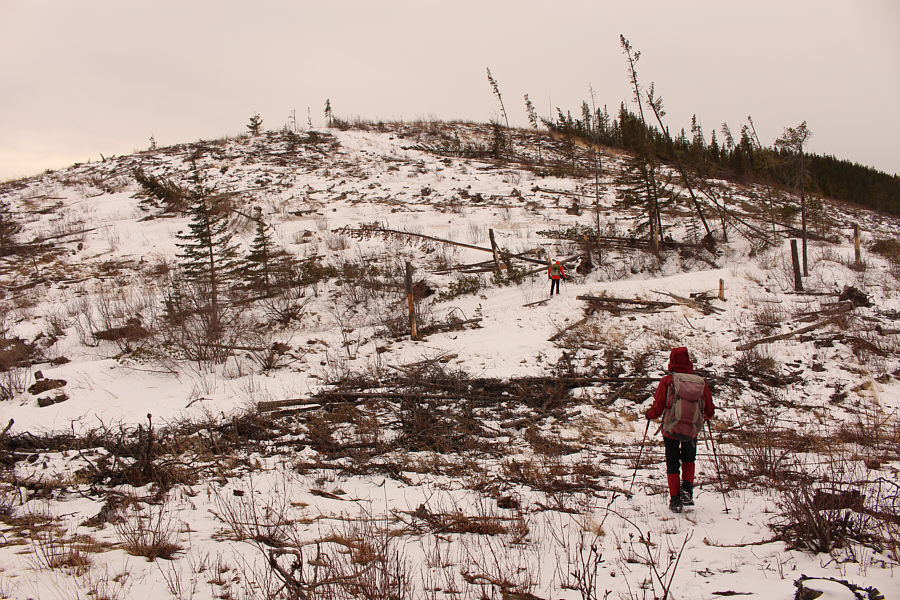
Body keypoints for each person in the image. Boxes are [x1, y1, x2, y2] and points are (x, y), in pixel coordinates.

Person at [645, 347, 715, 512]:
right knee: (689, 459)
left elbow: (659, 406)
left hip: (671, 428)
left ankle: (675, 499)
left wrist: (650, 415)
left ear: (672, 361)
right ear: (688, 361)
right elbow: (709, 409)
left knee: (672, 463)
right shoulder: (699, 382)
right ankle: (688, 490)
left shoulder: (668, 381)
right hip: (692, 429)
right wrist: (705, 417)